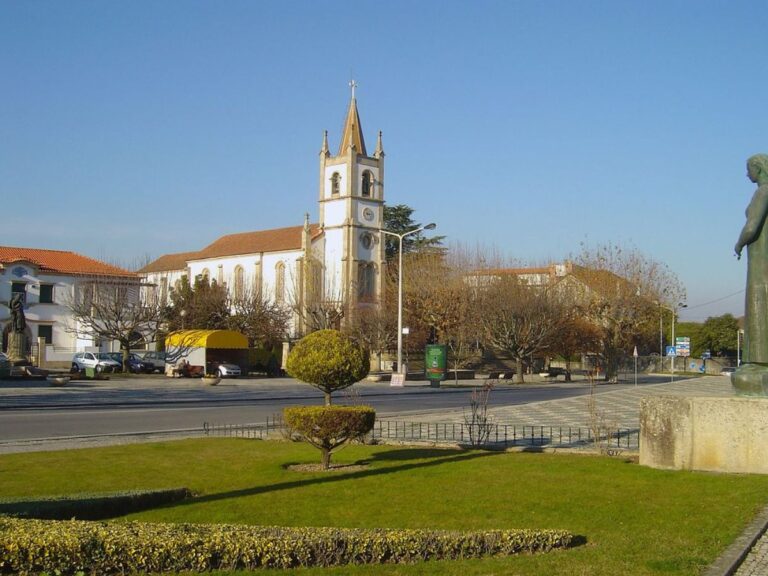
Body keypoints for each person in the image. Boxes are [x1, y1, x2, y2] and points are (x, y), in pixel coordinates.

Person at [735, 154, 768, 364]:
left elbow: (751, 227)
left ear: (759, 169)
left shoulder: (762, 192)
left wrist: (738, 244)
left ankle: (757, 363)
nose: (747, 174)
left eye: (749, 169)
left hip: (759, 262)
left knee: (758, 304)